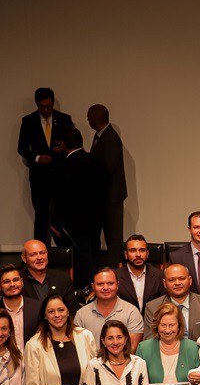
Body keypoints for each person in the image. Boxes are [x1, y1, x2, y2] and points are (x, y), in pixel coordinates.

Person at [51, 125, 108, 285]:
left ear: (63, 143)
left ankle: (86, 291)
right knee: (94, 257)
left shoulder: (65, 165)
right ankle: (97, 287)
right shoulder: (95, 160)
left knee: (81, 261)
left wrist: (55, 221)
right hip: (96, 221)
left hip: (74, 223)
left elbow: (62, 196)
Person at [17, 86, 73, 243]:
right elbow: (21, 148)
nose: (46, 110)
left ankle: (65, 253)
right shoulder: (28, 121)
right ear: (37, 104)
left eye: (49, 106)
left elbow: (74, 142)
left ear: (53, 102)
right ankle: (41, 252)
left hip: (60, 175)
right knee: (41, 217)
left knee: (62, 216)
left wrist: (64, 148)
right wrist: (37, 158)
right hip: (39, 177)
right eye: (42, 106)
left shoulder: (64, 119)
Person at [87, 103, 127, 254]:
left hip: (111, 197)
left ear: (95, 118)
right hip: (103, 198)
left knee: (113, 238)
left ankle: (115, 271)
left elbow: (107, 167)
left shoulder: (110, 138)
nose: (88, 120)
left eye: (89, 117)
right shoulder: (101, 136)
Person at [74, 268, 145, 351]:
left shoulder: (131, 312)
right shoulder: (81, 314)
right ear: (93, 287)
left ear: (117, 285)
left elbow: (131, 348)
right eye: (100, 284)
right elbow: (79, 348)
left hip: (123, 363)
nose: (105, 287)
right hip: (90, 363)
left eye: (110, 283)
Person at [144, 263, 200, 341]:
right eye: (172, 280)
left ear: (190, 280)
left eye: (181, 278)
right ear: (165, 283)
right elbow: (150, 341)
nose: (177, 283)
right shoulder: (153, 307)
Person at [0, 263, 42, 351]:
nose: (12, 284)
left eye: (16, 280)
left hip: (33, 361)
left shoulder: (38, 308)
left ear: (22, 282)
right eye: (6, 282)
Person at [116, 234, 164, 314]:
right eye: (133, 250)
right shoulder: (115, 276)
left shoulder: (160, 276)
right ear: (126, 255)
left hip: (152, 323)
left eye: (142, 250)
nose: (138, 255)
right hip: (124, 324)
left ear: (147, 253)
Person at [20, 239, 74, 305]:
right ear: (24, 258)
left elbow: (72, 309)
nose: (39, 258)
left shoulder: (62, 278)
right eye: (33, 254)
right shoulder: (17, 281)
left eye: (42, 253)